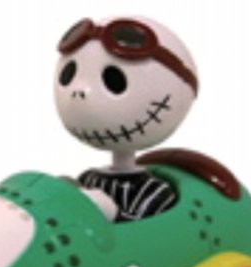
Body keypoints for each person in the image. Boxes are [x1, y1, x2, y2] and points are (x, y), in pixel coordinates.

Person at [54, 17, 199, 221]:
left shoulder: (154, 192)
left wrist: (110, 211)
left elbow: (148, 232)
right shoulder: (89, 178)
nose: (79, 92)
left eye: (114, 80)